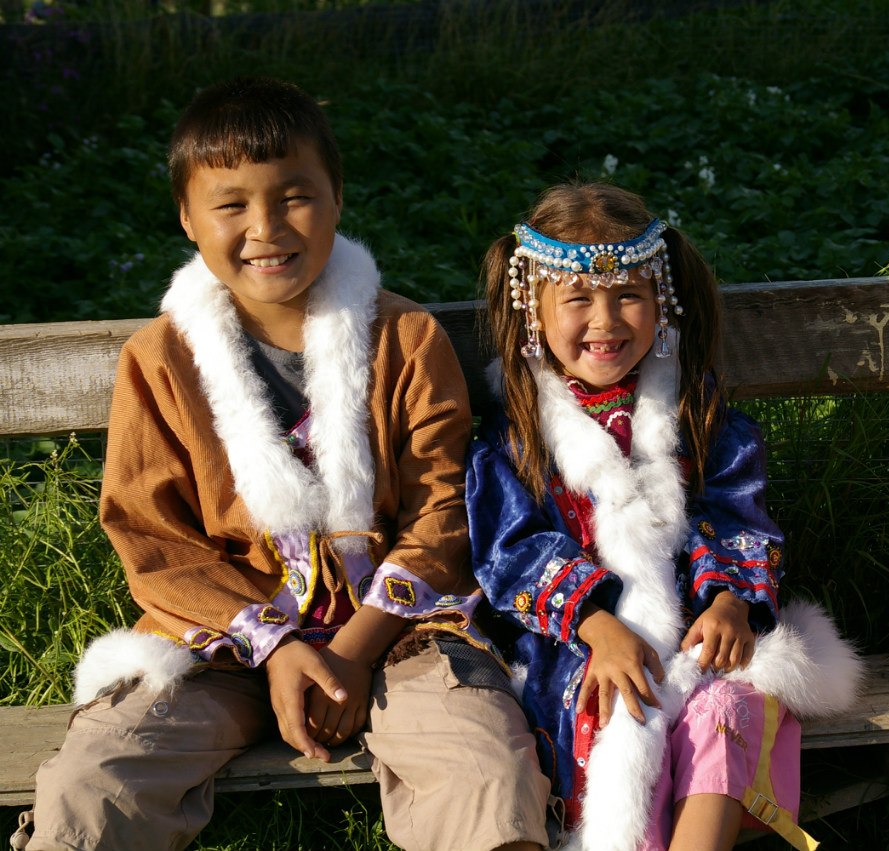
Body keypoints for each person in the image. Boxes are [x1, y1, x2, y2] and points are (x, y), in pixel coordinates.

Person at [19, 77, 549, 851]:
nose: (265, 227)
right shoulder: (160, 362)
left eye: (294, 196)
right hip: (220, 645)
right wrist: (281, 647)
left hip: (397, 632)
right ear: (188, 219)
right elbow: (154, 539)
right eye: (231, 205)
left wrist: (346, 652)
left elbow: (444, 514)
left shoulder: (404, 340)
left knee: (484, 766)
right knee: (97, 776)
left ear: (336, 197)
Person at [466, 183, 863, 851]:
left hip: (703, 637)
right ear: (533, 308)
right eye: (578, 298)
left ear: (661, 301)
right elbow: (513, 553)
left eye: (627, 294)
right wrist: (597, 628)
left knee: (729, 708)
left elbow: (739, 518)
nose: (605, 319)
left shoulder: (703, 421)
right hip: (580, 646)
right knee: (616, 717)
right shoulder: (515, 441)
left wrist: (731, 601)